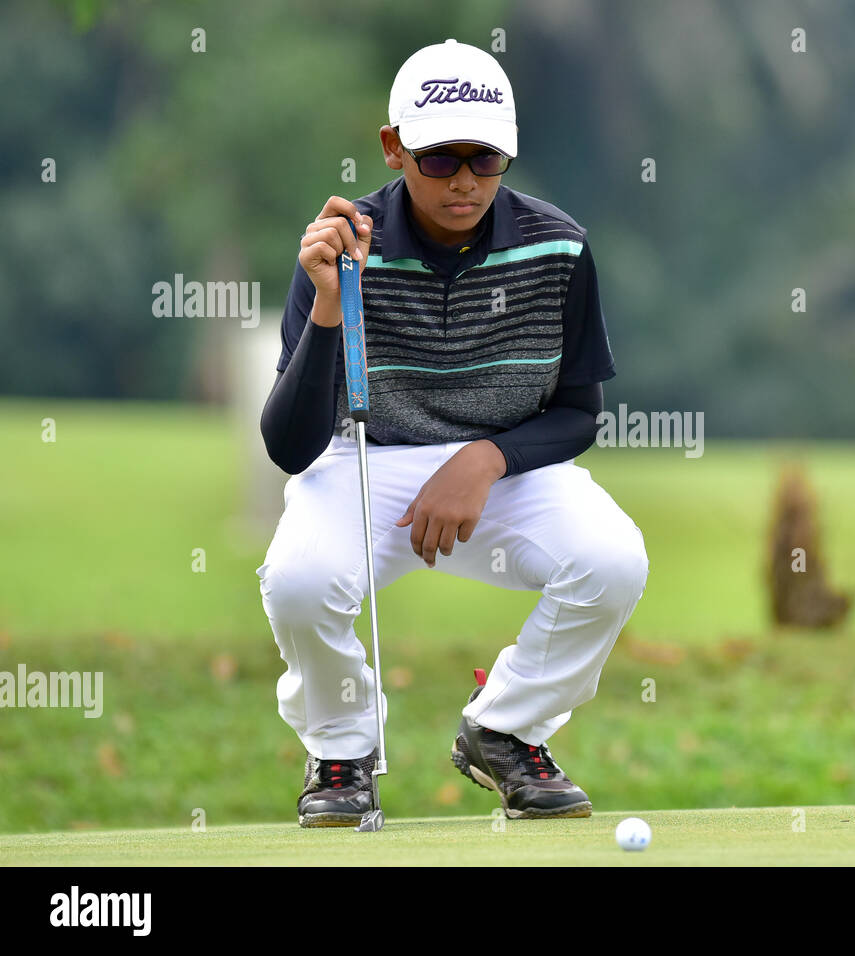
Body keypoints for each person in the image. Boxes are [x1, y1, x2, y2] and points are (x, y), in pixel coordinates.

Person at [256, 39, 649, 825]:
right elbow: (289, 448)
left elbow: (578, 414)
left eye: (485, 157)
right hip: (363, 460)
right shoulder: (342, 249)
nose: (465, 180)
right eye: (439, 159)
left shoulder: (559, 247)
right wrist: (331, 305)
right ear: (394, 147)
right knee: (297, 581)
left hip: (504, 472)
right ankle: (342, 752)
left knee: (612, 560)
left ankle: (505, 731)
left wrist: (487, 457)